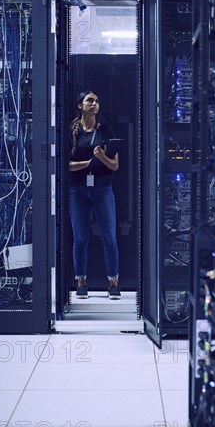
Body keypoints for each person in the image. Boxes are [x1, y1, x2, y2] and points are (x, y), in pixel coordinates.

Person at [69, 90, 121, 299]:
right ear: (80, 105)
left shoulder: (106, 131)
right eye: (90, 100)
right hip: (78, 190)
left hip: (102, 189)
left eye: (97, 101)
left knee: (109, 237)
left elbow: (115, 165)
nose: (94, 103)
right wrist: (89, 163)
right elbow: (66, 165)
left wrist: (101, 156)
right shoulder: (71, 131)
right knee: (80, 238)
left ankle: (113, 282)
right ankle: (81, 281)